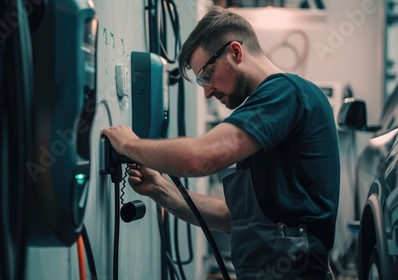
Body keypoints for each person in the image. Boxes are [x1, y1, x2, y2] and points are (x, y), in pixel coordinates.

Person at [101, 6, 339, 280]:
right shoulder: (269, 111)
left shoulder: (285, 93)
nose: (207, 92)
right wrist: (163, 191)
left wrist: (130, 144)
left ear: (236, 53)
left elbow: (199, 158)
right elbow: (235, 218)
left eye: (206, 75)